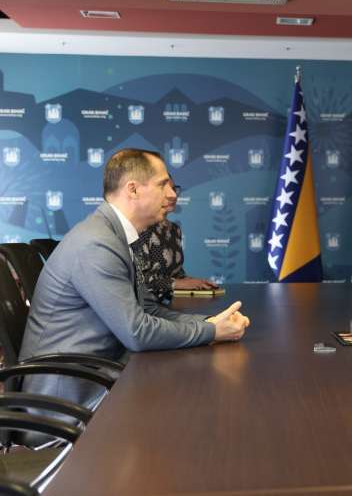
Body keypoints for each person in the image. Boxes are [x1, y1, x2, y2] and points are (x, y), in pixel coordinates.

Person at [19, 149, 250, 408]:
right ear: (133, 189)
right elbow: (137, 332)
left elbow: (149, 310)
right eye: (163, 185)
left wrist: (211, 322)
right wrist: (211, 332)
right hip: (68, 398)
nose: (172, 194)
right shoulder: (97, 244)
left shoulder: (115, 236)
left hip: (99, 375)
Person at [133, 176, 218, 303]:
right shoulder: (140, 228)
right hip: (144, 308)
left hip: (169, 304)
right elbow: (140, 281)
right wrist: (178, 284)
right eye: (164, 189)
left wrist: (196, 283)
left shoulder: (174, 229)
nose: (172, 195)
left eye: (173, 189)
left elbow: (176, 275)